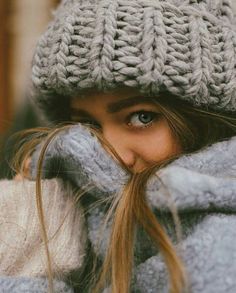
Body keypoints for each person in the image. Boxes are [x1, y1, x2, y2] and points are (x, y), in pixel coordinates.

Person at [0, 0, 236, 292]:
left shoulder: (220, 252)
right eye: (88, 126)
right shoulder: (75, 213)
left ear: (209, 121)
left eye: (142, 117)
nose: (111, 154)